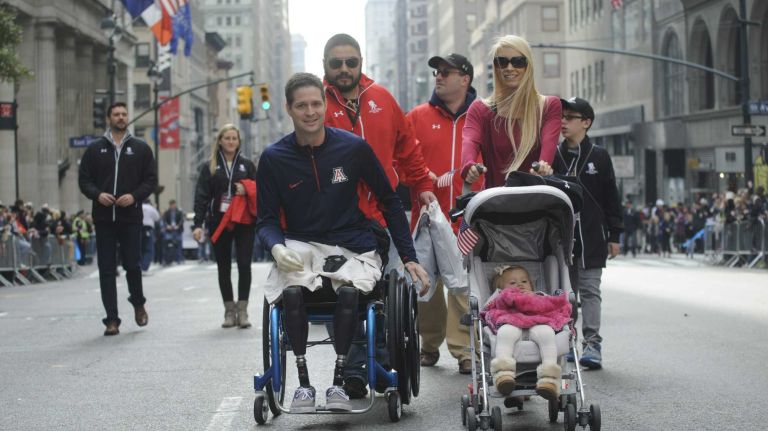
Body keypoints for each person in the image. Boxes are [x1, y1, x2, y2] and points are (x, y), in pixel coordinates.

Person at [256, 73, 431, 413]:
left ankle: (339, 383)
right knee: (290, 292)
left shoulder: (353, 148)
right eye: (302, 105)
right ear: (289, 109)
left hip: (352, 244)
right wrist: (277, 247)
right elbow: (265, 220)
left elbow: (389, 200)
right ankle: (304, 386)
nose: (310, 112)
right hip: (302, 245)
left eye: (316, 104)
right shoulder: (274, 158)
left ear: (325, 105)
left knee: (350, 291)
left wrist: (408, 257)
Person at [322, 33, 437, 397]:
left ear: (361, 62)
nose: (344, 69)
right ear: (325, 65)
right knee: (344, 295)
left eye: (351, 62)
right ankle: (356, 366)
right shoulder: (315, 105)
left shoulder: (383, 99)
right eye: (336, 63)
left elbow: (407, 146)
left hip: (383, 216)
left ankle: (378, 362)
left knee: (386, 297)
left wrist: (421, 183)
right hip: (335, 222)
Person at [535, 97, 623, 369]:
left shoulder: (599, 155)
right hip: (561, 236)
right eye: (562, 116)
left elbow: (611, 197)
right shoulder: (552, 156)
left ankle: (593, 344)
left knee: (589, 291)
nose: (563, 122)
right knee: (564, 292)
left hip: (593, 237)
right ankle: (568, 340)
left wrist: (615, 234)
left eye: (571, 117)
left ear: (586, 123)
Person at [406, 53, 478, 374]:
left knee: (462, 285)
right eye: (437, 71)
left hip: (467, 217)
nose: (438, 76)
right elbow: (400, 159)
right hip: (425, 215)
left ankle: (463, 349)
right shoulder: (417, 116)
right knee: (428, 285)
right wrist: (420, 178)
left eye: (446, 72)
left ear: (465, 78)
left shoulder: (480, 116)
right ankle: (429, 343)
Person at [78, 101, 157, 336]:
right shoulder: (94, 149)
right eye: (116, 114)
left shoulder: (141, 148)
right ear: (109, 119)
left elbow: (150, 181)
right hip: (103, 218)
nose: (121, 117)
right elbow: (84, 181)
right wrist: (97, 194)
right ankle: (111, 319)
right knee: (106, 268)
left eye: (124, 114)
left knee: (133, 265)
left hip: (131, 217)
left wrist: (133, 196)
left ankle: (138, 302)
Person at [461, 35, 562, 189]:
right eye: (502, 62)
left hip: (536, 203)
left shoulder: (548, 106)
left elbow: (547, 152)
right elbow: (469, 142)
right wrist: (469, 166)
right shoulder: (480, 110)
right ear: (495, 67)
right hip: (495, 205)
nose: (509, 68)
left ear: (528, 66)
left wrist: (543, 167)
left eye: (518, 62)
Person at [193, 124, 257, 329]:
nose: (231, 142)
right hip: (218, 220)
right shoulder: (210, 166)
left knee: (245, 264)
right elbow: (201, 196)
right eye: (227, 138)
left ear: (239, 141)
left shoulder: (247, 165)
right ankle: (229, 311)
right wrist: (198, 224)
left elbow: (260, 189)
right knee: (224, 267)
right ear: (220, 141)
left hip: (243, 221)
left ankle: (243, 310)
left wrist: (246, 189)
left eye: (234, 138)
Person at [481, 265, 571, 400]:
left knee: (547, 334)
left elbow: (553, 305)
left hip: (538, 323)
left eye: (524, 281)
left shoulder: (539, 295)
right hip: (511, 322)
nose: (519, 285)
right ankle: (503, 374)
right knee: (504, 333)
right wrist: (501, 296)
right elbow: (488, 307)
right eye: (512, 283)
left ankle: (549, 377)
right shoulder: (500, 297)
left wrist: (540, 298)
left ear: (531, 284)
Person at [162, 200, 184, 265]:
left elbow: (181, 220)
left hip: (177, 230)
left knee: (178, 245)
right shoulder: (167, 212)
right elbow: (164, 220)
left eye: (174, 205)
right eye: (171, 205)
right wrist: (167, 226)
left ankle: (179, 259)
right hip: (169, 230)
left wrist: (178, 226)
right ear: (170, 205)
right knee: (168, 245)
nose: (173, 206)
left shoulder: (179, 212)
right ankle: (168, 259)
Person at [141, 200, 160, 272]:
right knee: (148, 249)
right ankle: (144, 266)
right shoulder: (151, 208)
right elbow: (157, 218)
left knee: (140, 248)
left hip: (138, 228)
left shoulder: (139, 206)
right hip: (148, 228)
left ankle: (139, 265)